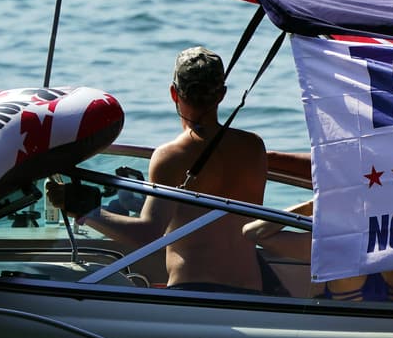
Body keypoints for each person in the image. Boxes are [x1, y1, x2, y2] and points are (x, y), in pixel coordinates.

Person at [50, 47, 268, 294]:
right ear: (222, 94)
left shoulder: (171, 156)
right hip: (252, 291)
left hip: (195, 291)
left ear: (174, 93)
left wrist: (86, 211)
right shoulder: (254, 147)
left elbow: (148, 233)